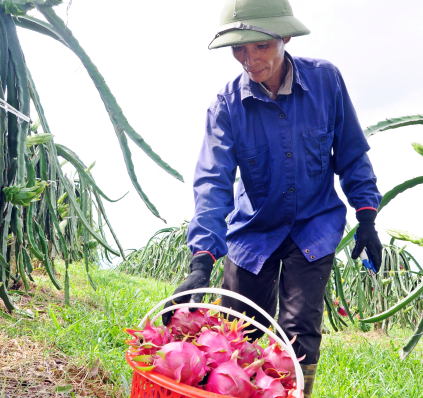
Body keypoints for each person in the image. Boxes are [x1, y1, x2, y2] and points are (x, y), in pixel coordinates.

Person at [163, 0, 383, 396]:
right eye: (239, 49)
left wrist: (366, 215)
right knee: (237, 328)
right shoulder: (227, 106)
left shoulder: (325, 82)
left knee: (298, 337)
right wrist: (201, 261)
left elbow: (351, 150)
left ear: (284, 36)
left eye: (259, 46)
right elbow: (212, 181)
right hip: (253, 232)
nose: (249, 60)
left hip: (313, 227)